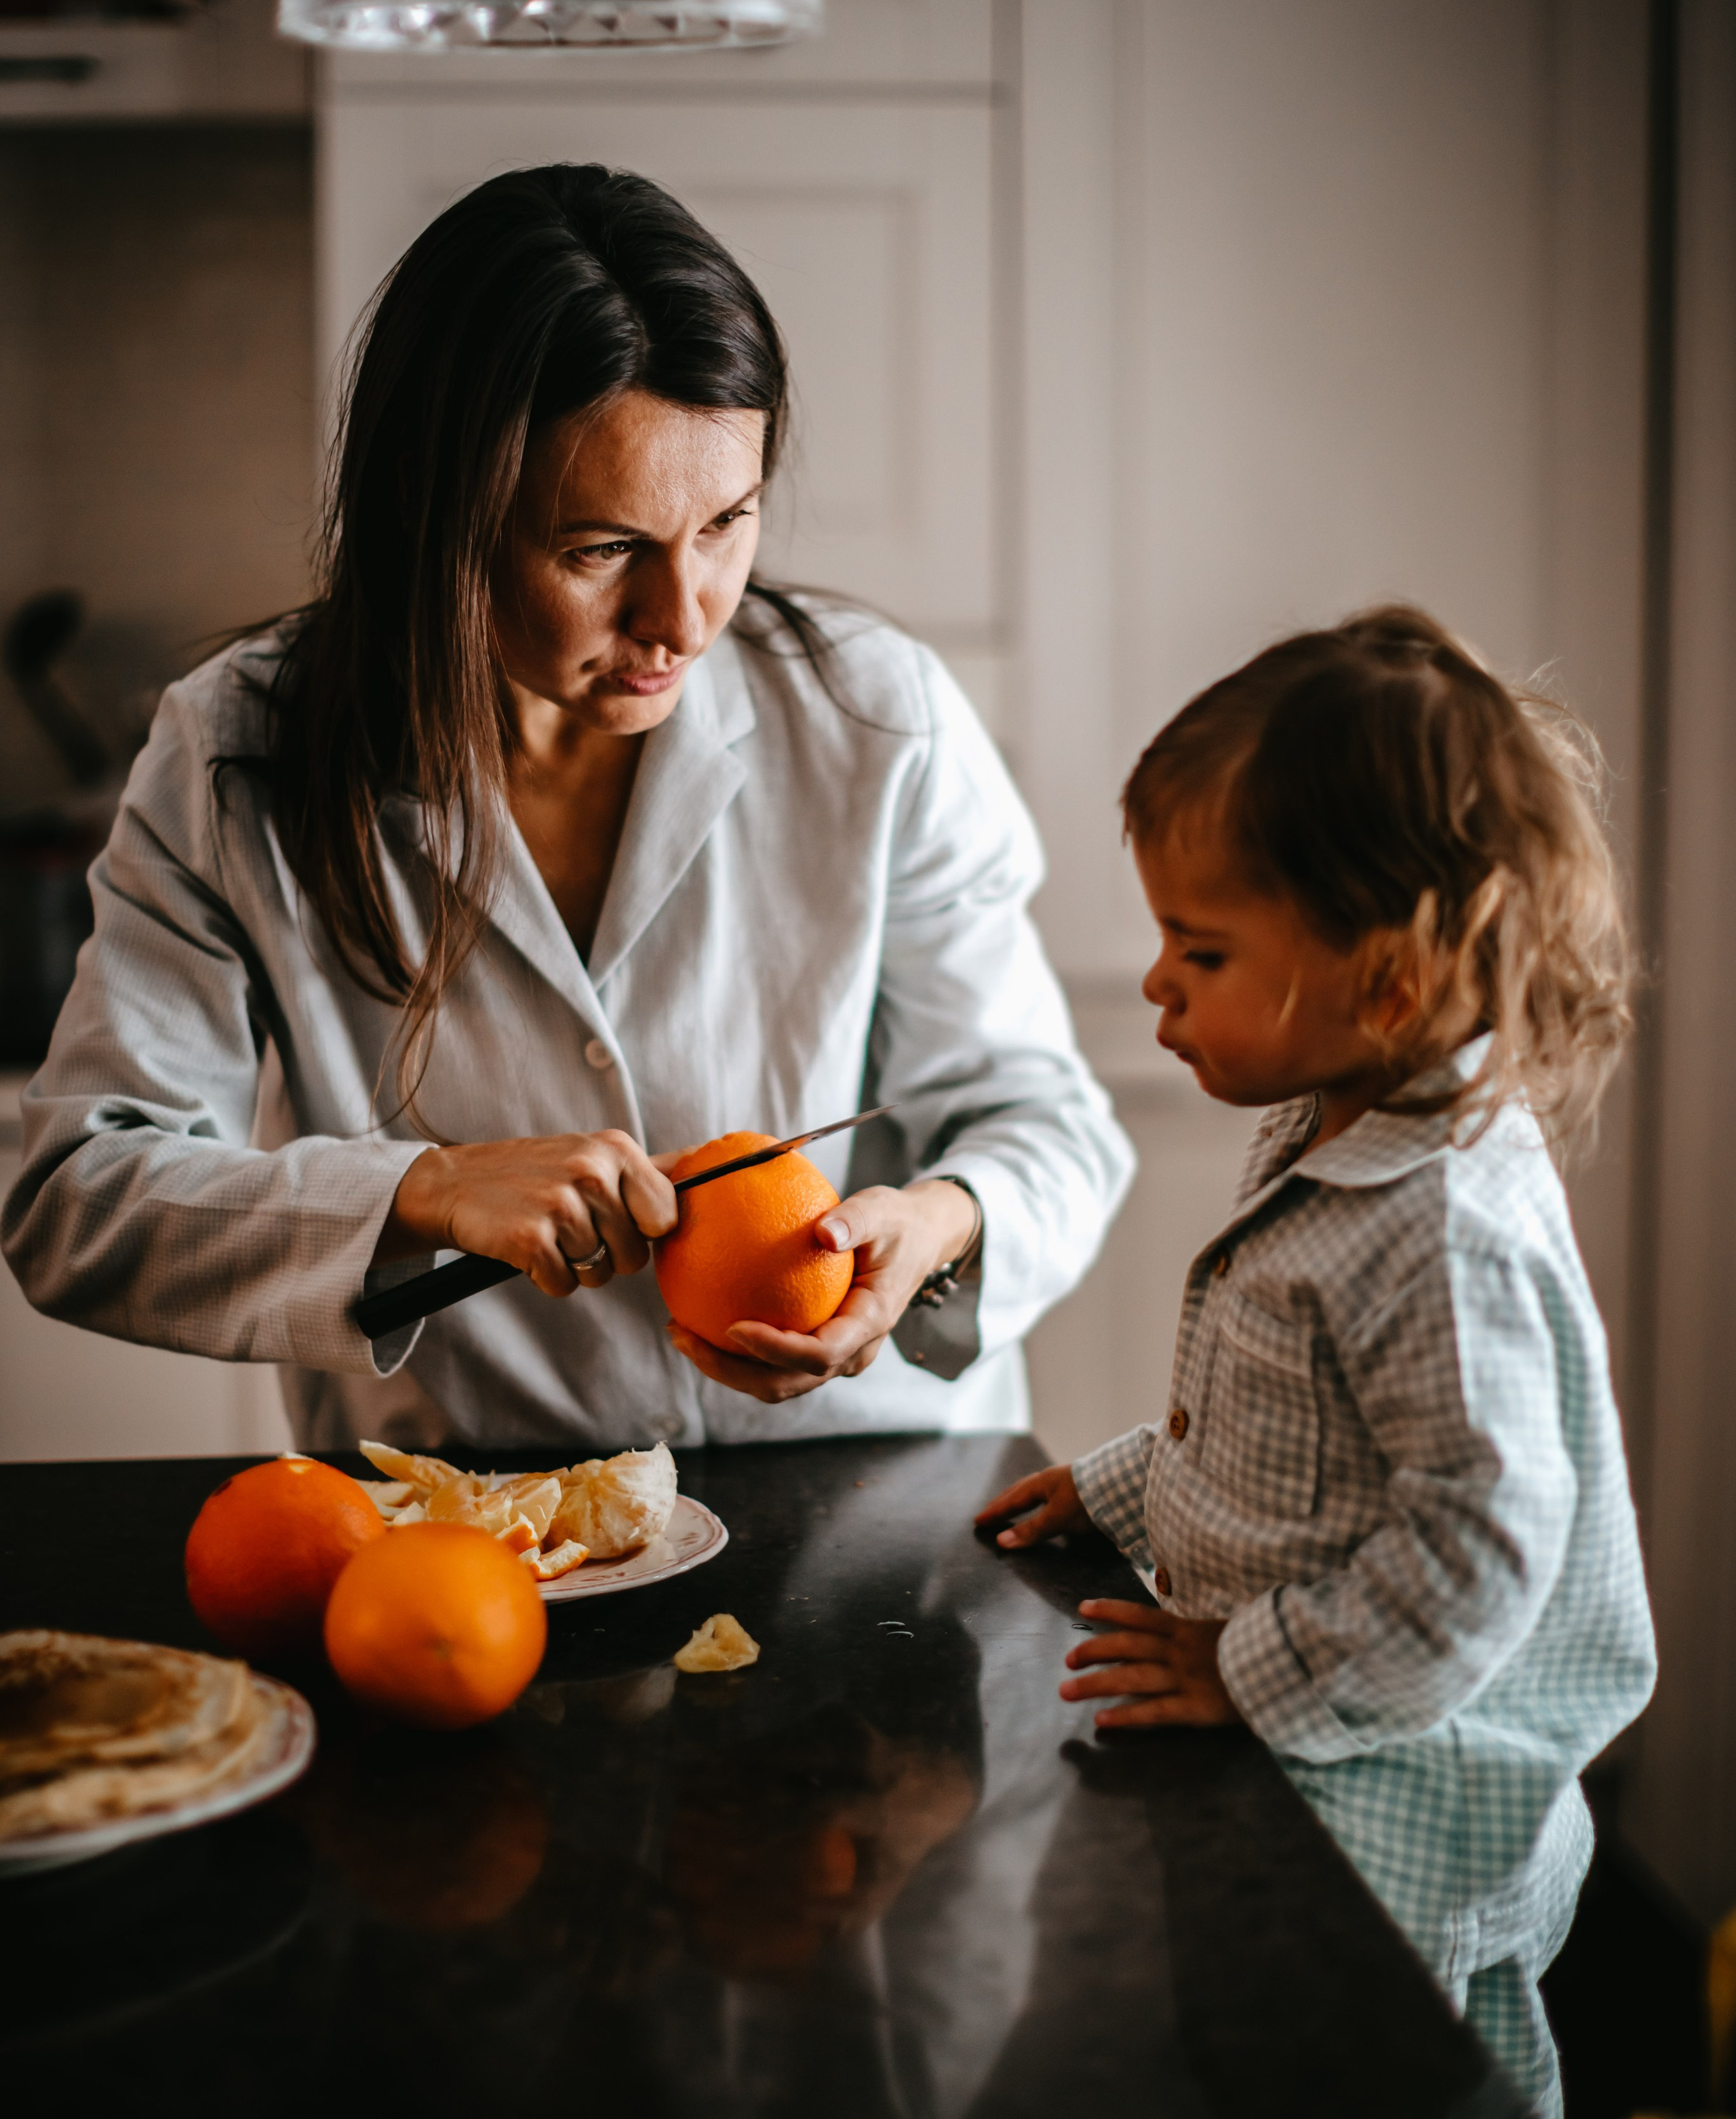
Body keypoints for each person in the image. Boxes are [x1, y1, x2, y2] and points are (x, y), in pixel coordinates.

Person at [2, 164, 1132, 1452]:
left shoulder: (877, 715)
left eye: (727, 522)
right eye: (600, 551)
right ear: (439, 518)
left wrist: (941, 1223)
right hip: (467, 1544)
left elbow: (1044, 1123)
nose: (683, 616)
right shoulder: (238, 747)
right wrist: (419, 1192)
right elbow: (76, 1196)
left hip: (869, 1495)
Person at [975, 607, 1657, 2119]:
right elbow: (1298, 1449)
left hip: (1400, 1788)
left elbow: (1477, 1550)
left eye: (1201, 951)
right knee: (1421, 2097)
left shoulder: (1443, 1227)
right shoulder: (1339, 1125)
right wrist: (1116, 1488)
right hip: (1341, 1741)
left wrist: (1240, 1670)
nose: (1155, 985)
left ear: (1391, 979)